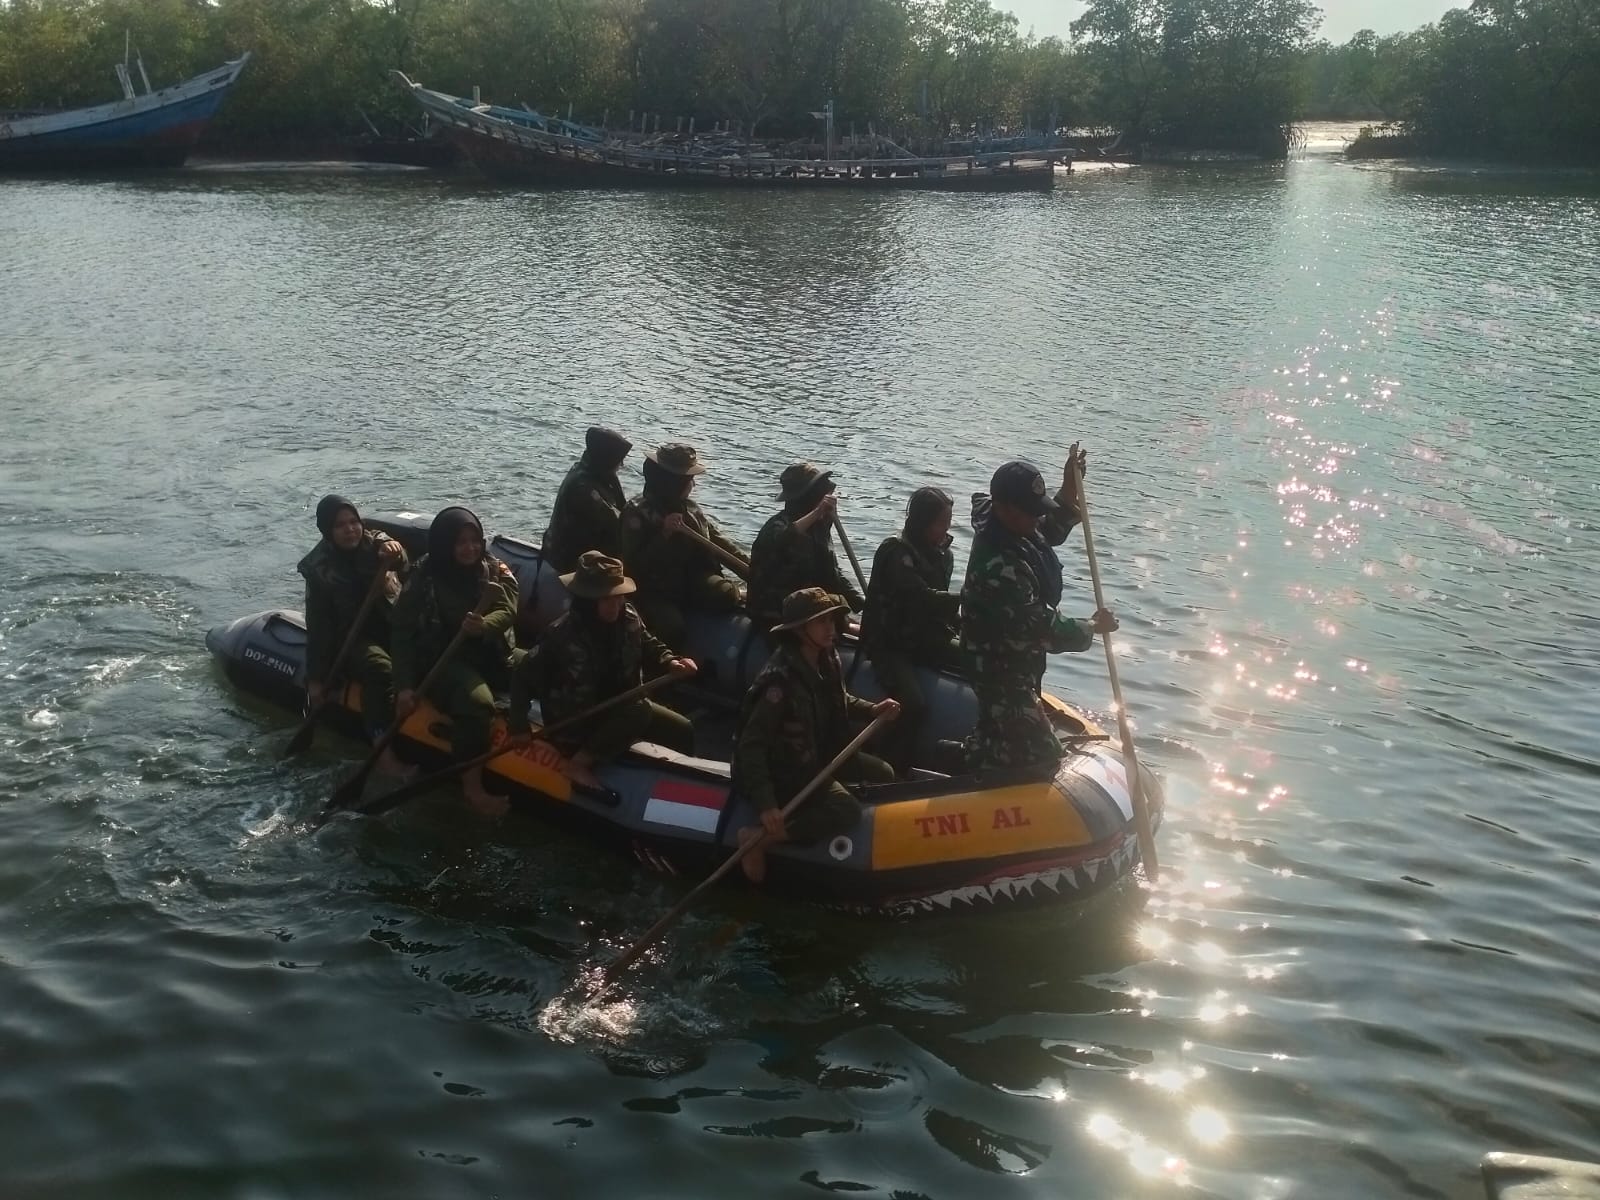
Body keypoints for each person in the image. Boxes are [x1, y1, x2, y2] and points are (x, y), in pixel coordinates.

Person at [960, 453, 1117, 772]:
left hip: (1019, 661)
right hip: (998, 666)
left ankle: (974, 756)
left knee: (999, 732)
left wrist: (1070, 488)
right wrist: (1091, 626)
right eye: (1030, 513)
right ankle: (978, 775)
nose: (1036, 520)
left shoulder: (1015, 527)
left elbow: (1050, 529)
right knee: (1041, 752)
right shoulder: (999, 568)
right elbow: (1041, 628)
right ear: (1004, 508)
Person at [732, 588, 899, 884]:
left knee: (883, 772)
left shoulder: (825, 658)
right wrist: (766, 803)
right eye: (820, 622)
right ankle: (760, 840)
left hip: (816, 755)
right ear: (799, 630)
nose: (830, 628)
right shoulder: (778, 681)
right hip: (785, 770)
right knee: (845, 809)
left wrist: (872, 709)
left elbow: (837, 699)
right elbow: (751, 745)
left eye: (830, 621)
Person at [512, 551, 697, 789]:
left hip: (618, 708)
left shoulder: (628, 617)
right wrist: (518, 726)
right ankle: (579, 763)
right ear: (588, 600)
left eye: (619, 597)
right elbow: (523, 676)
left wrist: (670, 660)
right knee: (639, 708)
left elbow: (648, 642)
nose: (616, 605)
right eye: (607, 599)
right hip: (576, 724)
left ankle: (684, 783)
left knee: (682, 729)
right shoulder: (560, 636)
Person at [391, 506, 519, 814]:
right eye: (460, 542)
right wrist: (404, 687)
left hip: (487, 651)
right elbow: (402, 633)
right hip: (442, 661)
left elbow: (507, 607)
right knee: (478, 704)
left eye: (474, 540)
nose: (470, 548)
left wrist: (483, 626)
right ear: (445, 544)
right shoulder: (425, 576)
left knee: (543, 664)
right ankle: (472, 789)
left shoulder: (490, 567)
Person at [297, 494, 408, 771]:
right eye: (340, 525)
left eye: (353, 522)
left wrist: (393, 549)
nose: (350, 530)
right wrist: (316, 679)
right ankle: (382, 750)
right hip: (349, 638)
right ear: (327, 531)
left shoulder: (375, 543)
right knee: (381, 670)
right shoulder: (319, 569)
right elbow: (319, 626)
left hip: (388, 624)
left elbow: (400, 558)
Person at [860, 486, 961, 772]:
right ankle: (889, 762)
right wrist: (966, 597)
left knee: (973, 656)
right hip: (890, 643)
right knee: (913, 703)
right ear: (922, 522)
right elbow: (920, 597)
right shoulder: (897, 552)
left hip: (924, 637)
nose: (946, 529)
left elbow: (939, 606)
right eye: (941, 523)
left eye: (949, 522)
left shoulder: (942, 554)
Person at [617, 442, 746, 652]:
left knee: (725, 594)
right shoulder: (637, 512)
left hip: (689, 579)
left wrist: (751, 568)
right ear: (673, 482)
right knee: (672, 628)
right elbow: (634, 566)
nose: (693, 485)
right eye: (689, 480)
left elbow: (718, 541)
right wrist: (664, 535)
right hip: (653, 588)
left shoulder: (690, 509)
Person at [746, 462, 864, 631]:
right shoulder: (776, 526)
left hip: (806, 606)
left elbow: (832, 573)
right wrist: (817, 513)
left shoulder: (819, 528)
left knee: (841, 604)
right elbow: (785, 537)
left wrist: (862, 604)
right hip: (774, 610)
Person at [541, 426, 632, 574]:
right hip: (567, 561)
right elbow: (615, 523)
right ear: (606, 459)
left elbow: (621, 509)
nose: (621, 465)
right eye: (618, 460)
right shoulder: (582, 487)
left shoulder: (592, 471)